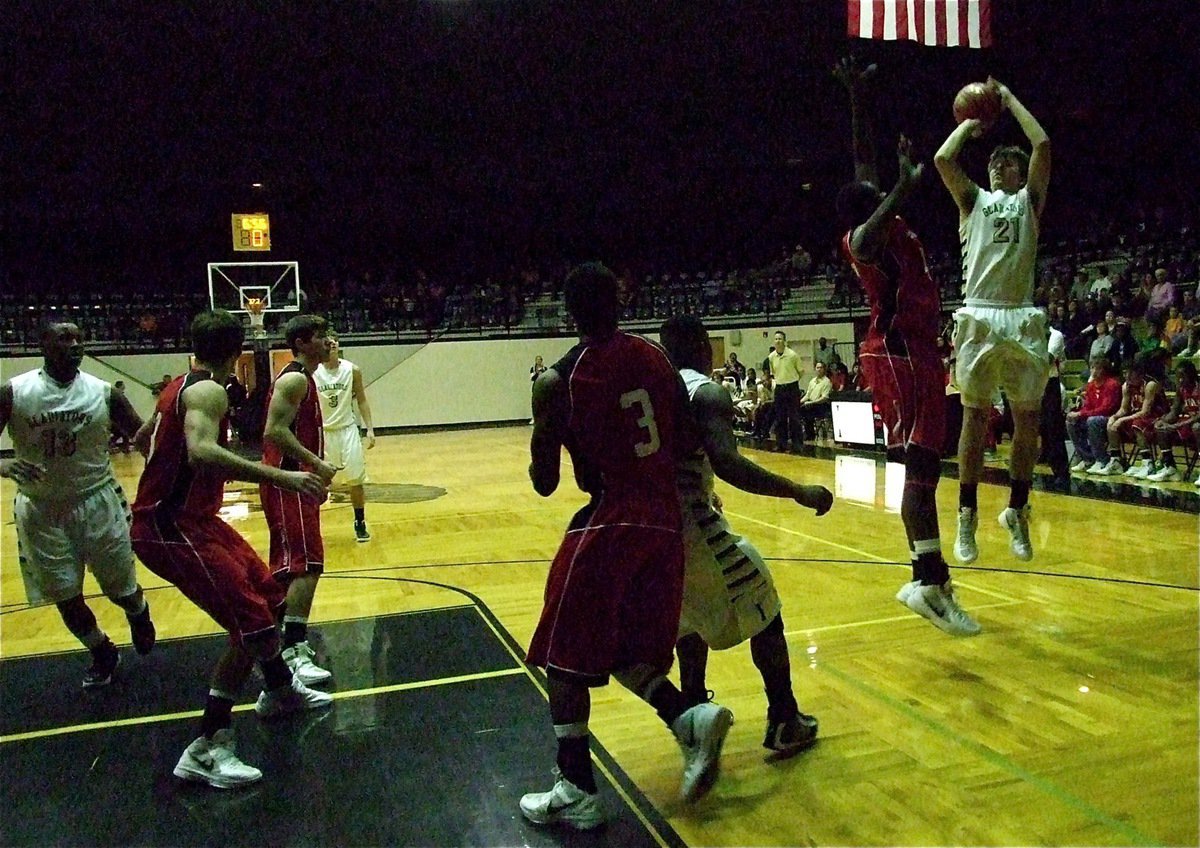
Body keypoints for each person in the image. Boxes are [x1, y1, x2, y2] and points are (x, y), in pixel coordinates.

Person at [521, 263, 732, 831]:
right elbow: (688, 443)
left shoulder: (559, 379)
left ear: (569, 313)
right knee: (619, 651)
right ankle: (688, 717)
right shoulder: (657, 359)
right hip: (666, 523)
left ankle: (577, 789)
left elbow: (544, 482)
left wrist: (543, 429)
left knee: (562, 660)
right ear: (619, 300)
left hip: (613, 519)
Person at [131, 310, 331, 788]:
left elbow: (143, 438)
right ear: (238, 349)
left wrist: (163, 465)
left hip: (193, 519)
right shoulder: (208, 390)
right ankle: (207, 745)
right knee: (252, 622)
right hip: (170, 526)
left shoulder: (178, 384)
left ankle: (280, 688)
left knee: (270, 595)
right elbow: (201, 452)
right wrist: (285, 476)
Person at [836, 56, 979, 636]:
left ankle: (930, 577)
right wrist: (904, 183)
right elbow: (873, 214)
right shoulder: (865, 237)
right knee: (919, 471)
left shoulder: (877, 219)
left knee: (924, 471)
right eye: (872, 193)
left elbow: (861, 161)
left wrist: (857, 99)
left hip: (914, 352)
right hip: (896, 353)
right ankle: (928, 582)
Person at [659, 314, 831, 754]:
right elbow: (728, 462)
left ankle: (695, 716)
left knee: (689, 621)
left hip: (655, 533)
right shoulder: (706, 391)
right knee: (765, 606)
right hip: (694, 527)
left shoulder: (654, 390)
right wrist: (797, 490)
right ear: (702, 345)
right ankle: (783, 719)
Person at [0, 322, 156, 688]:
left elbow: (143, 439)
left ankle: (139, 612)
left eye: (79, 339)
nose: (74, 345)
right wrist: (3, 463)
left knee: (121, 589)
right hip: (40, 508)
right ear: (42, 344)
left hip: (97, 498)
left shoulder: (104, 393)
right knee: (66, 597)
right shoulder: (14, 392)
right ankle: (102, 650)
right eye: (64, 339)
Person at [935, 77, 1051, 564]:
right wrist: (971, 124)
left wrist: (1008, 101)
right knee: (975, 417)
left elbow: (1042, 142)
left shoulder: (1029, 201)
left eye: (1010, 162)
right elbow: (944, 160)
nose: (1003, 165)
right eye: (997, 161)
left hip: (1021, 315)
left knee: (1028, 420)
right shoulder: (973, 201)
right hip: (979, 312)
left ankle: (1017, 508)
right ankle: (967, 515)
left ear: (1021, 173)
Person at [261, 315, 339, 686]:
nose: (329, 341)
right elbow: (274, 431)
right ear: (303, 342)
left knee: (288, 567)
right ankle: (294, 651)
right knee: (307, 563)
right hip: (288, 482)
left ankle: (266, 640)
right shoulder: (294, 378)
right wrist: (317, 463)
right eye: (322, 336)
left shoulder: (304, 378)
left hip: (293, 481)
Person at [314, 331, 376, 542]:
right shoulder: (314, 372)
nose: (332, 346)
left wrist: (370, 429)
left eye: (335, 342)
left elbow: (362, 401)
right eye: (328, 342)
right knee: (317, 482)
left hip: (347, 429)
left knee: (355, 480)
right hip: (323, 432)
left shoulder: (352, 370)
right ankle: (311, 527)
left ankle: (359, 522)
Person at [1067, 357, 1123, 474]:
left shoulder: (1112, 384)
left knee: (1093, 421)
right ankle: (1087, 458)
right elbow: (1088, 406)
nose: (1094, 371)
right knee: (1071, 421)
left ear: (1104, 370)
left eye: (1097, 368)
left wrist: (1082, 414)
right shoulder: (1091, 386)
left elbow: (1106, 409)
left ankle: (1101, 459)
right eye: (1092, 368)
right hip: (1093, 416)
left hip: (1110, 417)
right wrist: (1078, 414)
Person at [1148, 360, 1200, 483]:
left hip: (1195, 422)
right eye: (1178, 377)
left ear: (1191, 374)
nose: (1180, 380)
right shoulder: (1181, 389)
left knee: (1197, 427)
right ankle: (1170, 468)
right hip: (1189, 422)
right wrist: (1163, 421)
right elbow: (1174, 412)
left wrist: (1178, 425)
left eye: (1183, 376)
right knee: (1161, 428)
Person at [768, 330, 804, 452]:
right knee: (780, 418)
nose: (778, 341)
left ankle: (797, 445)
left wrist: (792, 381)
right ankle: (781, 444)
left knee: (794, 418)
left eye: (780, 339)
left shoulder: (793, 355)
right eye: (776, 339)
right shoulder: (771, 357)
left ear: (784, 341)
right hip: (779, 388)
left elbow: (801, 371)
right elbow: (774, 373)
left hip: (792, 387)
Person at [797, 361, 833, 440]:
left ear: (824, 369)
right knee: (796, 408)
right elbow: (807, 395)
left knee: (806, 410)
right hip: (810, 403)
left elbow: (824, 398)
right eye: (817, 368)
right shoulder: (812, 381)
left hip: (821, 405)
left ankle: (810, 435)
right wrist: (799, 402)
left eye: (821, 368)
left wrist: (811, 402)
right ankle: (798, 433)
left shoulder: (827, 382)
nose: (819, 369)